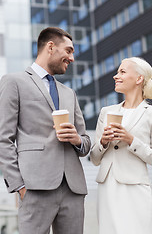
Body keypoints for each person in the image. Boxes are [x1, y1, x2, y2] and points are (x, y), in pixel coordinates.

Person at [0, 27, 91, 234]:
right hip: (34, 188)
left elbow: (85, 143)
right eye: (68, 51)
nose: (72, 58)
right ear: (50, 46)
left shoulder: (70, 93)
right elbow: (3, 139)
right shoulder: (14, 82)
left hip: (73, 189)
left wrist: (77, 139)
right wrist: (19, 186)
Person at [90, 57, 152, 234]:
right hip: (107, 188)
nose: (116, 76)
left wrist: (131, 140)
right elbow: (94, 159)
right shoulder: (106, 112)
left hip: (135, 189)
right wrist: (103, 142)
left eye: (122, 72)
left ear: (139, 78)